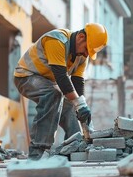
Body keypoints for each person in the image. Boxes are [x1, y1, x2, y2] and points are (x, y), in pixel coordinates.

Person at [13, 23, 108, 160]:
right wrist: (79, 104)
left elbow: (77, 84)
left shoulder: (82, 57)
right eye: (87, 49)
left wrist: (82, 107)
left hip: (49, 82)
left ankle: (75, 149)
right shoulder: (57, 40)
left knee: (71, 107)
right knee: (53, 94)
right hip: (26, 77)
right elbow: (61, 77)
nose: (87, 54)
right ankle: (38, 152)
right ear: (81, 37)